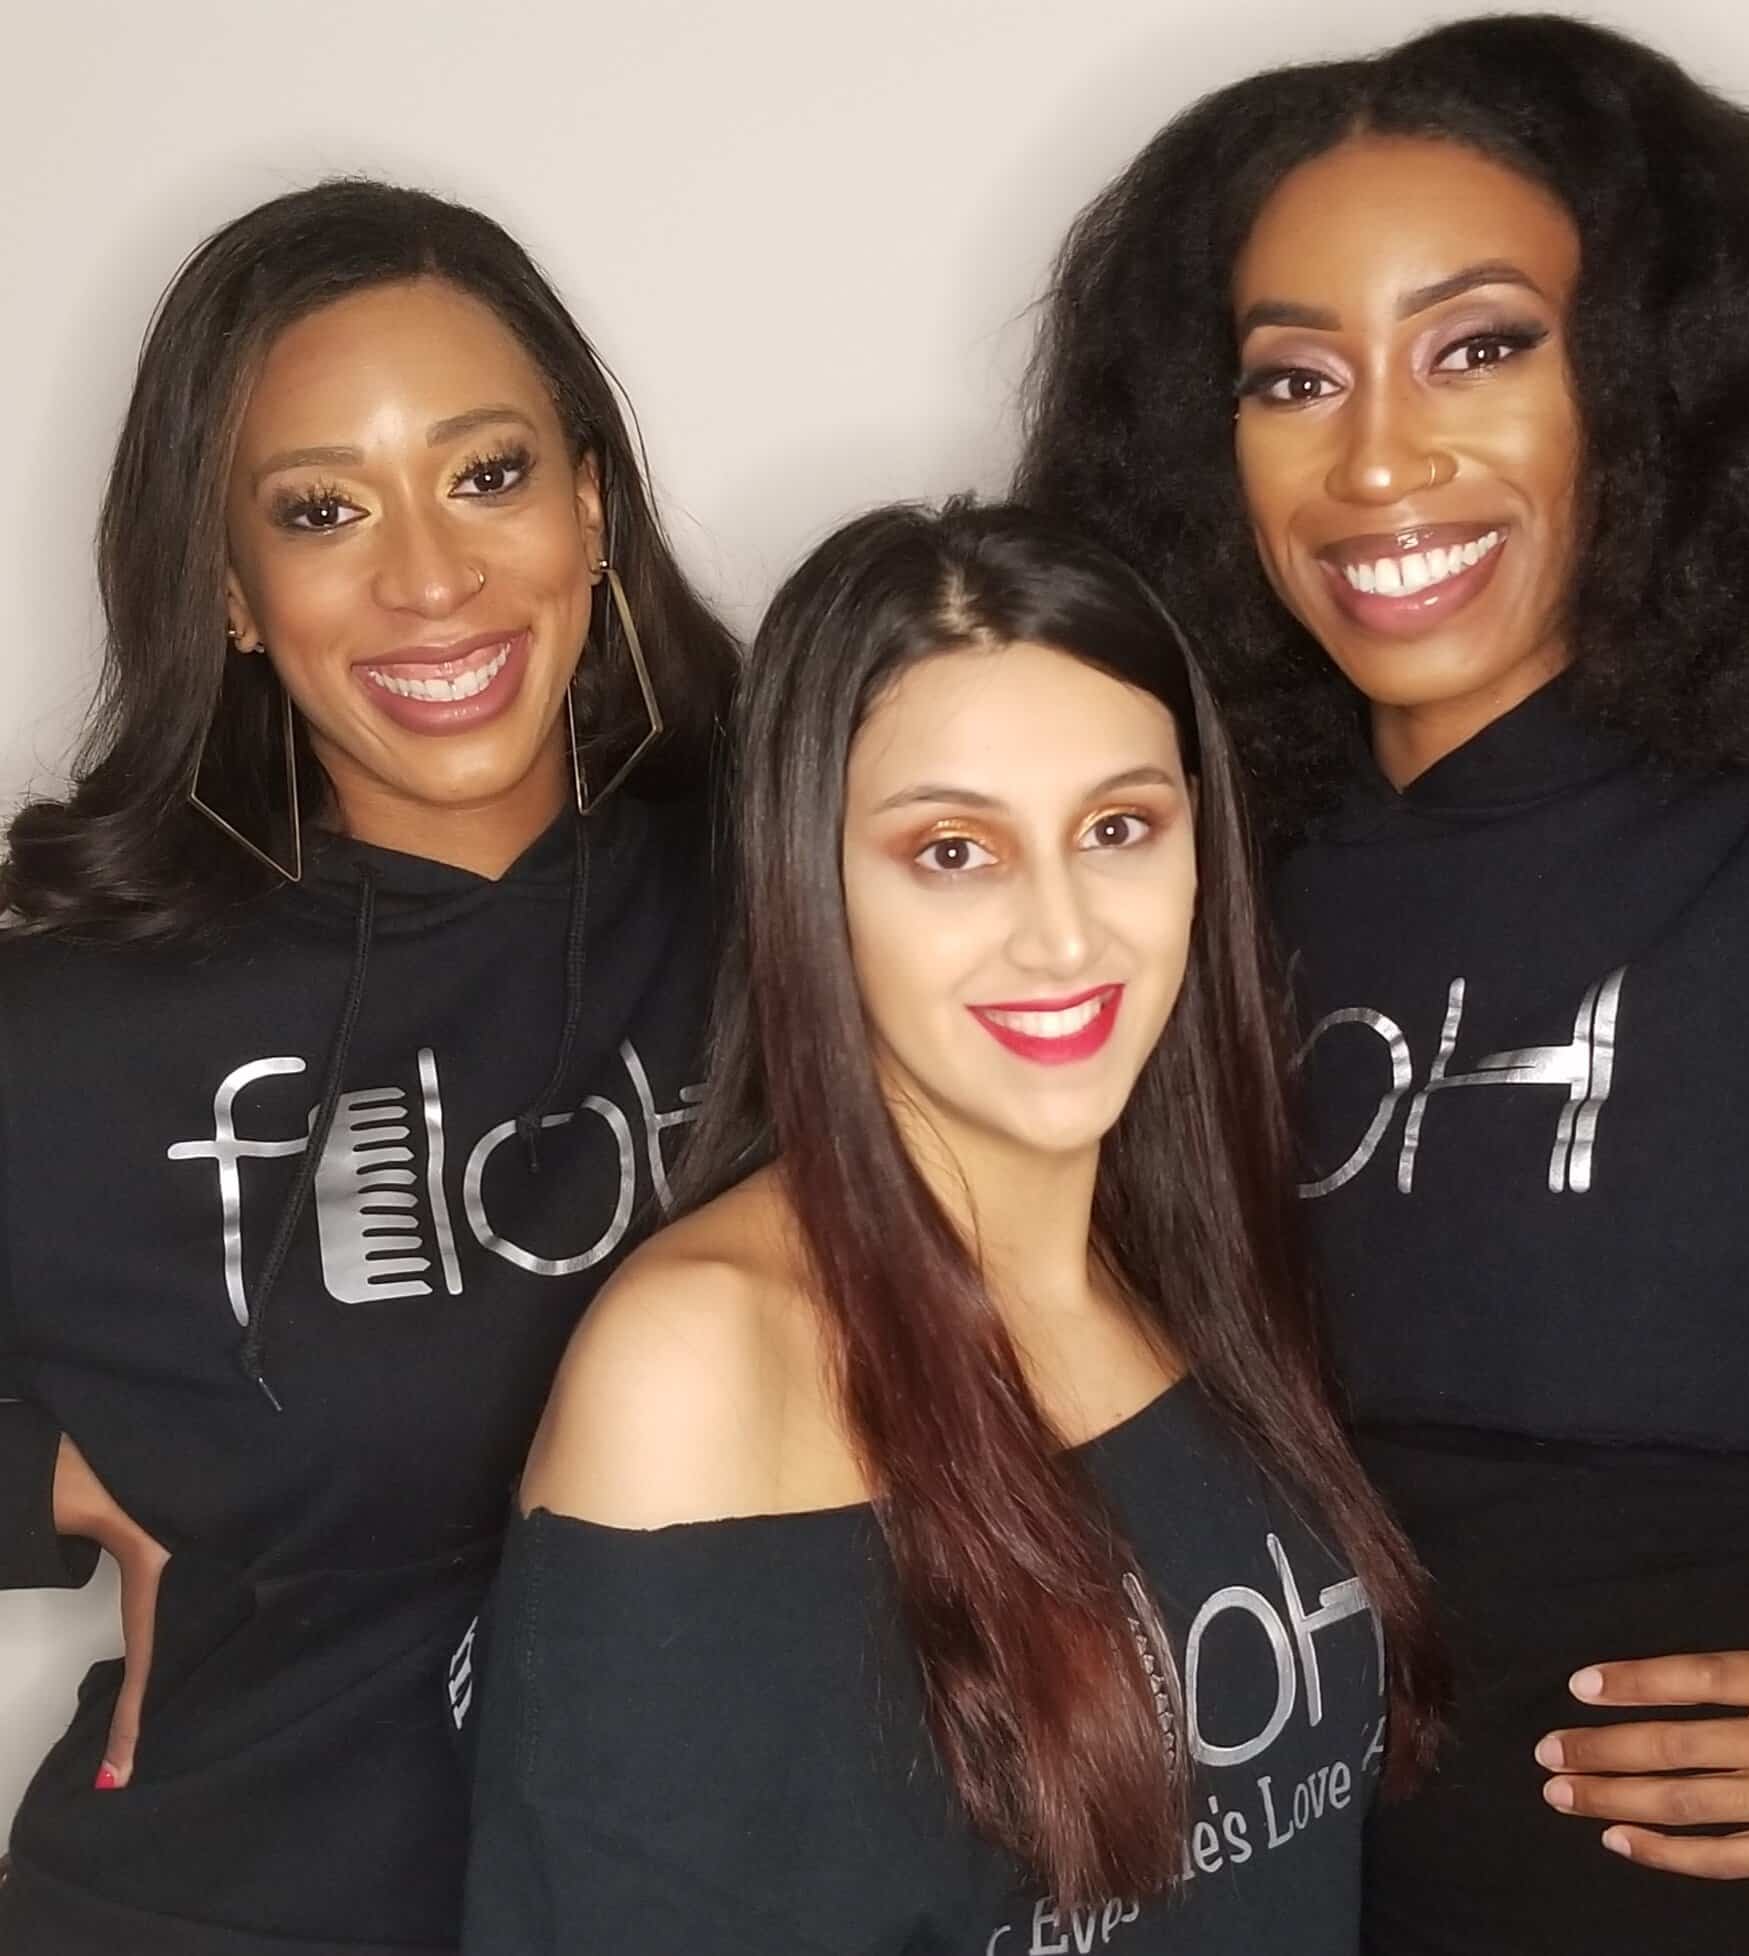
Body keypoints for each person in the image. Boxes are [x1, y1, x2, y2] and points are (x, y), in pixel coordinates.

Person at [1016, 14, 1749, 1954]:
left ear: (1657, 376)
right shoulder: (1152, 875)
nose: (1375, 456)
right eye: (1293, 375)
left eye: (1480, 345)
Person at [462, 500, 1446, 1954]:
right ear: (812, 887)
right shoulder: (700, 1363)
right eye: (950, 853)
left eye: (1117, 828)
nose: (1062, 934)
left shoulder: (1177, 1263)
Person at [0, 179, 735, 1953]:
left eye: (487, 475)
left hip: (743, 1896)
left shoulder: (796, 886)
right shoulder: (82, 1012)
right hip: (228, 1906)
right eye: (321, 510)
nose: (430, 576)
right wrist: (42, 1473)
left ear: (591, 503)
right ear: (229, 591)